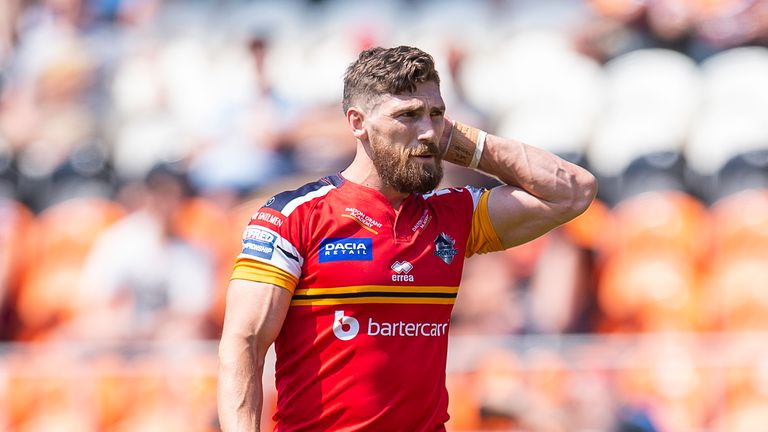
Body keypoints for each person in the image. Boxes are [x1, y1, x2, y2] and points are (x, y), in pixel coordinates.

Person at [217, 46, 597, 431]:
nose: (428, 130)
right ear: (357, 123)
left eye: (436, 114)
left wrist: (457, 141)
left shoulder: (454, 215)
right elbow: (244, 343)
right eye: (408, 116)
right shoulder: (295, 215)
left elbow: (573, 191)